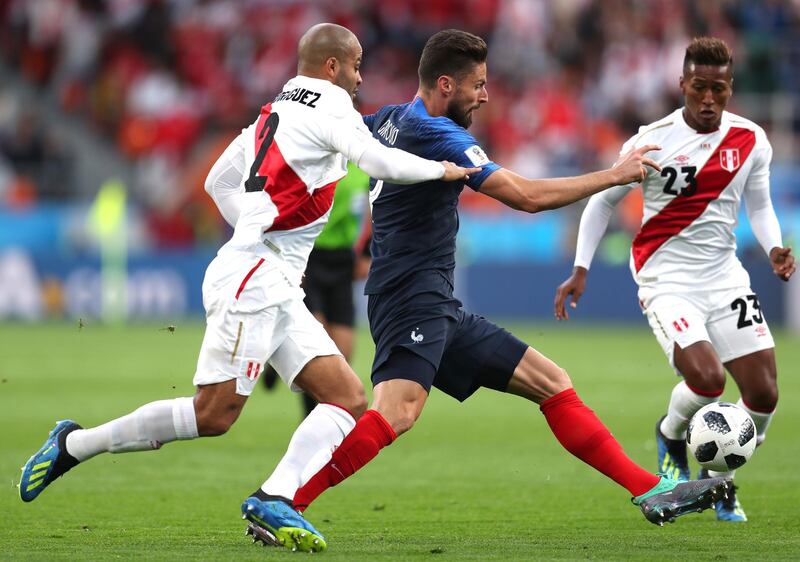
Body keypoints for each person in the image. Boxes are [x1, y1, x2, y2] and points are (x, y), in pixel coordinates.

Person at [246, 29, 733, 550]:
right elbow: (524, 196)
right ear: (446, 83)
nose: (485, 94)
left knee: (551, 381)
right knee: (397, 413)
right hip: (412, 301)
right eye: (477, 84)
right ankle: (287, 503)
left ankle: (651, 490)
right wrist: (615, 176)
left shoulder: (386, 121)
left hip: (433, 303)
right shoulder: (440, 136)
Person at [18, 23, 479, 554]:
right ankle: (74, 444)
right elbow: (381, 162)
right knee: (214, 414)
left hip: (269, 278)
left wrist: (257, 233)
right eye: (355, 66)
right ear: (331, 67)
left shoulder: (273, 113)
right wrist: (443, 171)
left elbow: (217, 180)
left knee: (347, 398)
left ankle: (275, 496)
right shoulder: (331, 108)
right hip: (255, 281)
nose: (359, 77)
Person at [554, 37, 795, 523]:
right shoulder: (651, 140)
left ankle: (718, 483)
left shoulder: (751, 139)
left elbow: (761, 205)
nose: (709, 100)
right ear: (682, 84)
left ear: (731, 88)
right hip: (665, 278)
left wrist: (773, 246)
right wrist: (580, 267)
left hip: (725, 277)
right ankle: (670, 433)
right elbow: (602, 203)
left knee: (765, 394)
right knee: (706, 380)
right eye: (699, 88)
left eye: (719, 90)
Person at [261, 161, 371, 418]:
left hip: (343, 262)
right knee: (316, 340)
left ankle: (277, 357)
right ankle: (310, 420)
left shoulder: (365, 167)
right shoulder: (316, 163)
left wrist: (367, 252)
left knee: (342, 353)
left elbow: (375, 210)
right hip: (310, 259)